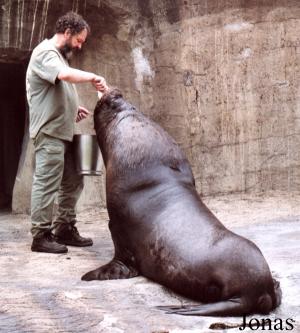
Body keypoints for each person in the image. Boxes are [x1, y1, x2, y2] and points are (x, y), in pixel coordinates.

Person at [26, 11, 107, 254]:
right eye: (79, 40)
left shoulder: (61, 57)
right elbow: (63, 76)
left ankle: (64, 227)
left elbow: (57, 88)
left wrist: (73, 108)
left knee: (74, 179)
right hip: (49, 131)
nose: (80, 46)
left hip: (65, 129)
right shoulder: (45, 52)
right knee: (47, 182)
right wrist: (93, 77)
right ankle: (40, 235)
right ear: (68, 32)